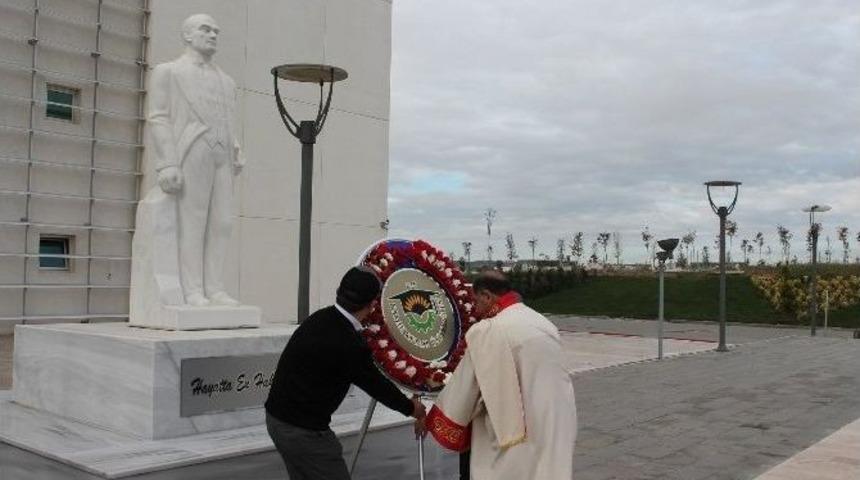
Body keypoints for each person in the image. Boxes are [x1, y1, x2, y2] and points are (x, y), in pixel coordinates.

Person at [265, 266, 427, 479]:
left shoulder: (321, 318)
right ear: (371, 305)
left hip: (277, 420)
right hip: (303, 432)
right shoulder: (348, 342)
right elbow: (376, 385)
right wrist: (412, 408)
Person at [420, 271, 577, 479]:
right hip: (557, 419)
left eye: (476, 301)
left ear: (486, 296)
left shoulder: (490, 331)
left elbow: (466, 391)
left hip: (519, 430)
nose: (476, 309)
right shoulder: (541, 322)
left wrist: (435, 397)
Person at [146, 13, 244, 307]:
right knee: (193, 222)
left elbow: (226, 118)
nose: (213, 35)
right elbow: (158, 117)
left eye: (216, 31)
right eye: (206, 29)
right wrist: (168, 163)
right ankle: (192, 289)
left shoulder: (227, 81)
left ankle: (215, 288)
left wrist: (235, 146)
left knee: (222, 223)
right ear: (187, 35)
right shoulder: (168, 72)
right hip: (192, 149)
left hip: (222, 154)